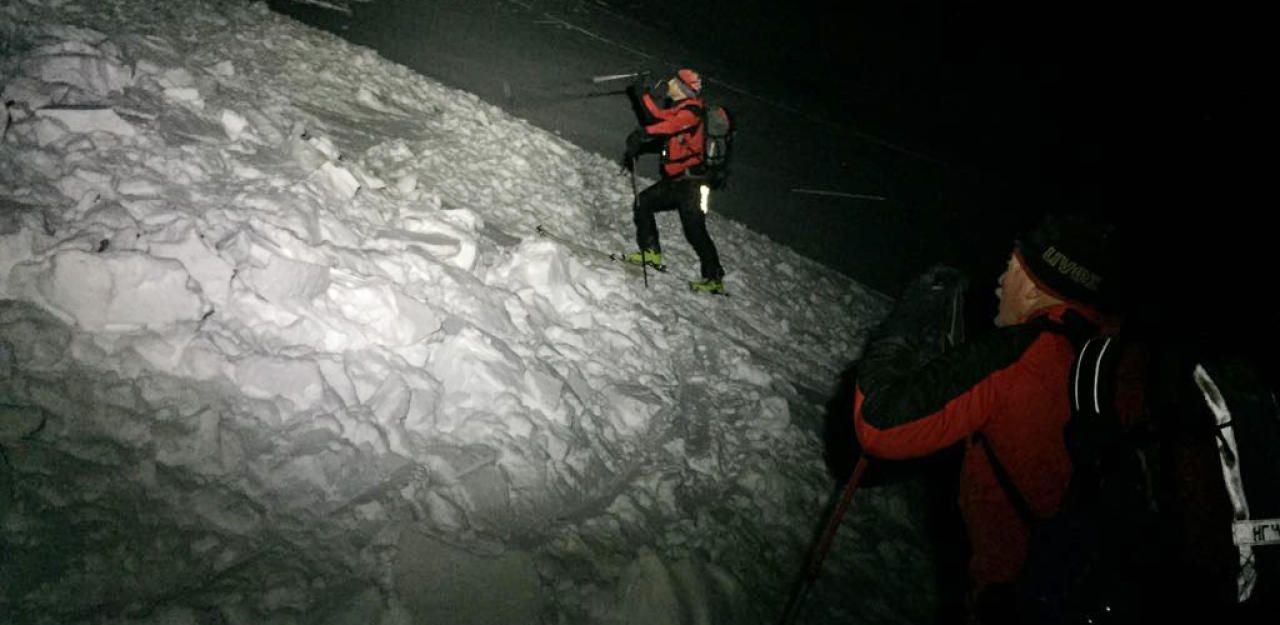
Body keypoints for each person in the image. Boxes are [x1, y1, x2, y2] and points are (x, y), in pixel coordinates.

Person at [851, 213, 1119, 624]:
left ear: (1034, 289)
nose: (999, 283)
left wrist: (906, 322)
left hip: (1014, 601)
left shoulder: (1016, 354)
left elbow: (881, 424)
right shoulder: (1109, 358)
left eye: (1011, 269)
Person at [620, 68, 726, 295]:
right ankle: (650, 253)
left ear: (683, 88)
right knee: (644, 202)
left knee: (695, 231)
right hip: (678, 182)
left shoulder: (692, 112)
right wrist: (642, 92)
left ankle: (714, 278)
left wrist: (643, 134)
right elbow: (658, 117)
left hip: (692, 185)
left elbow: (670, 126)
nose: (669, 83)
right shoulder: (680, 109)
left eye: (674, 82)